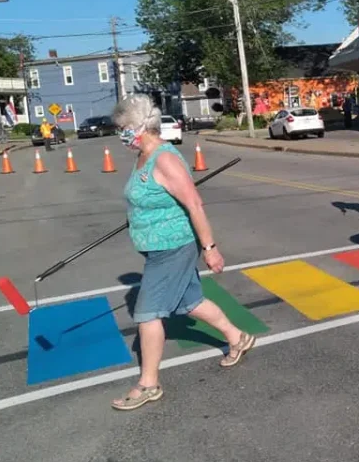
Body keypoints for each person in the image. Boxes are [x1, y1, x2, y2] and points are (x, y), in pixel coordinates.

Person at [110, 94, 256, 411]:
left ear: (137, 127)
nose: (119, 133)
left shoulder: (164, 159)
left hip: (173, 247)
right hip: (156, 246)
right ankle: (237, 337)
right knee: (189, 302)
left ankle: (148, 384)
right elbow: (150, 197)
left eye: (122, 127)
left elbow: (194, 204)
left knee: (147, 315)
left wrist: (210, 248)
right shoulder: (143, 156)